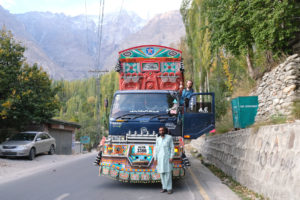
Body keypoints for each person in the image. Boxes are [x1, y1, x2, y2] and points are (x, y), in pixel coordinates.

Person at [154, 127, 174, 194]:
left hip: (167, 158)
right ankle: (164, 188)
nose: (161, 131)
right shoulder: (158, 139)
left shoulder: (169, 138)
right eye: (160, 130)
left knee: (168, 173)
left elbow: (172, 148)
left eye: (162, 130)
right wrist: (155, 158)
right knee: (162, 173)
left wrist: (171, 157)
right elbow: (156, 149)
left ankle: (169, 188)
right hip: (160, 159)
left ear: (165, 131)